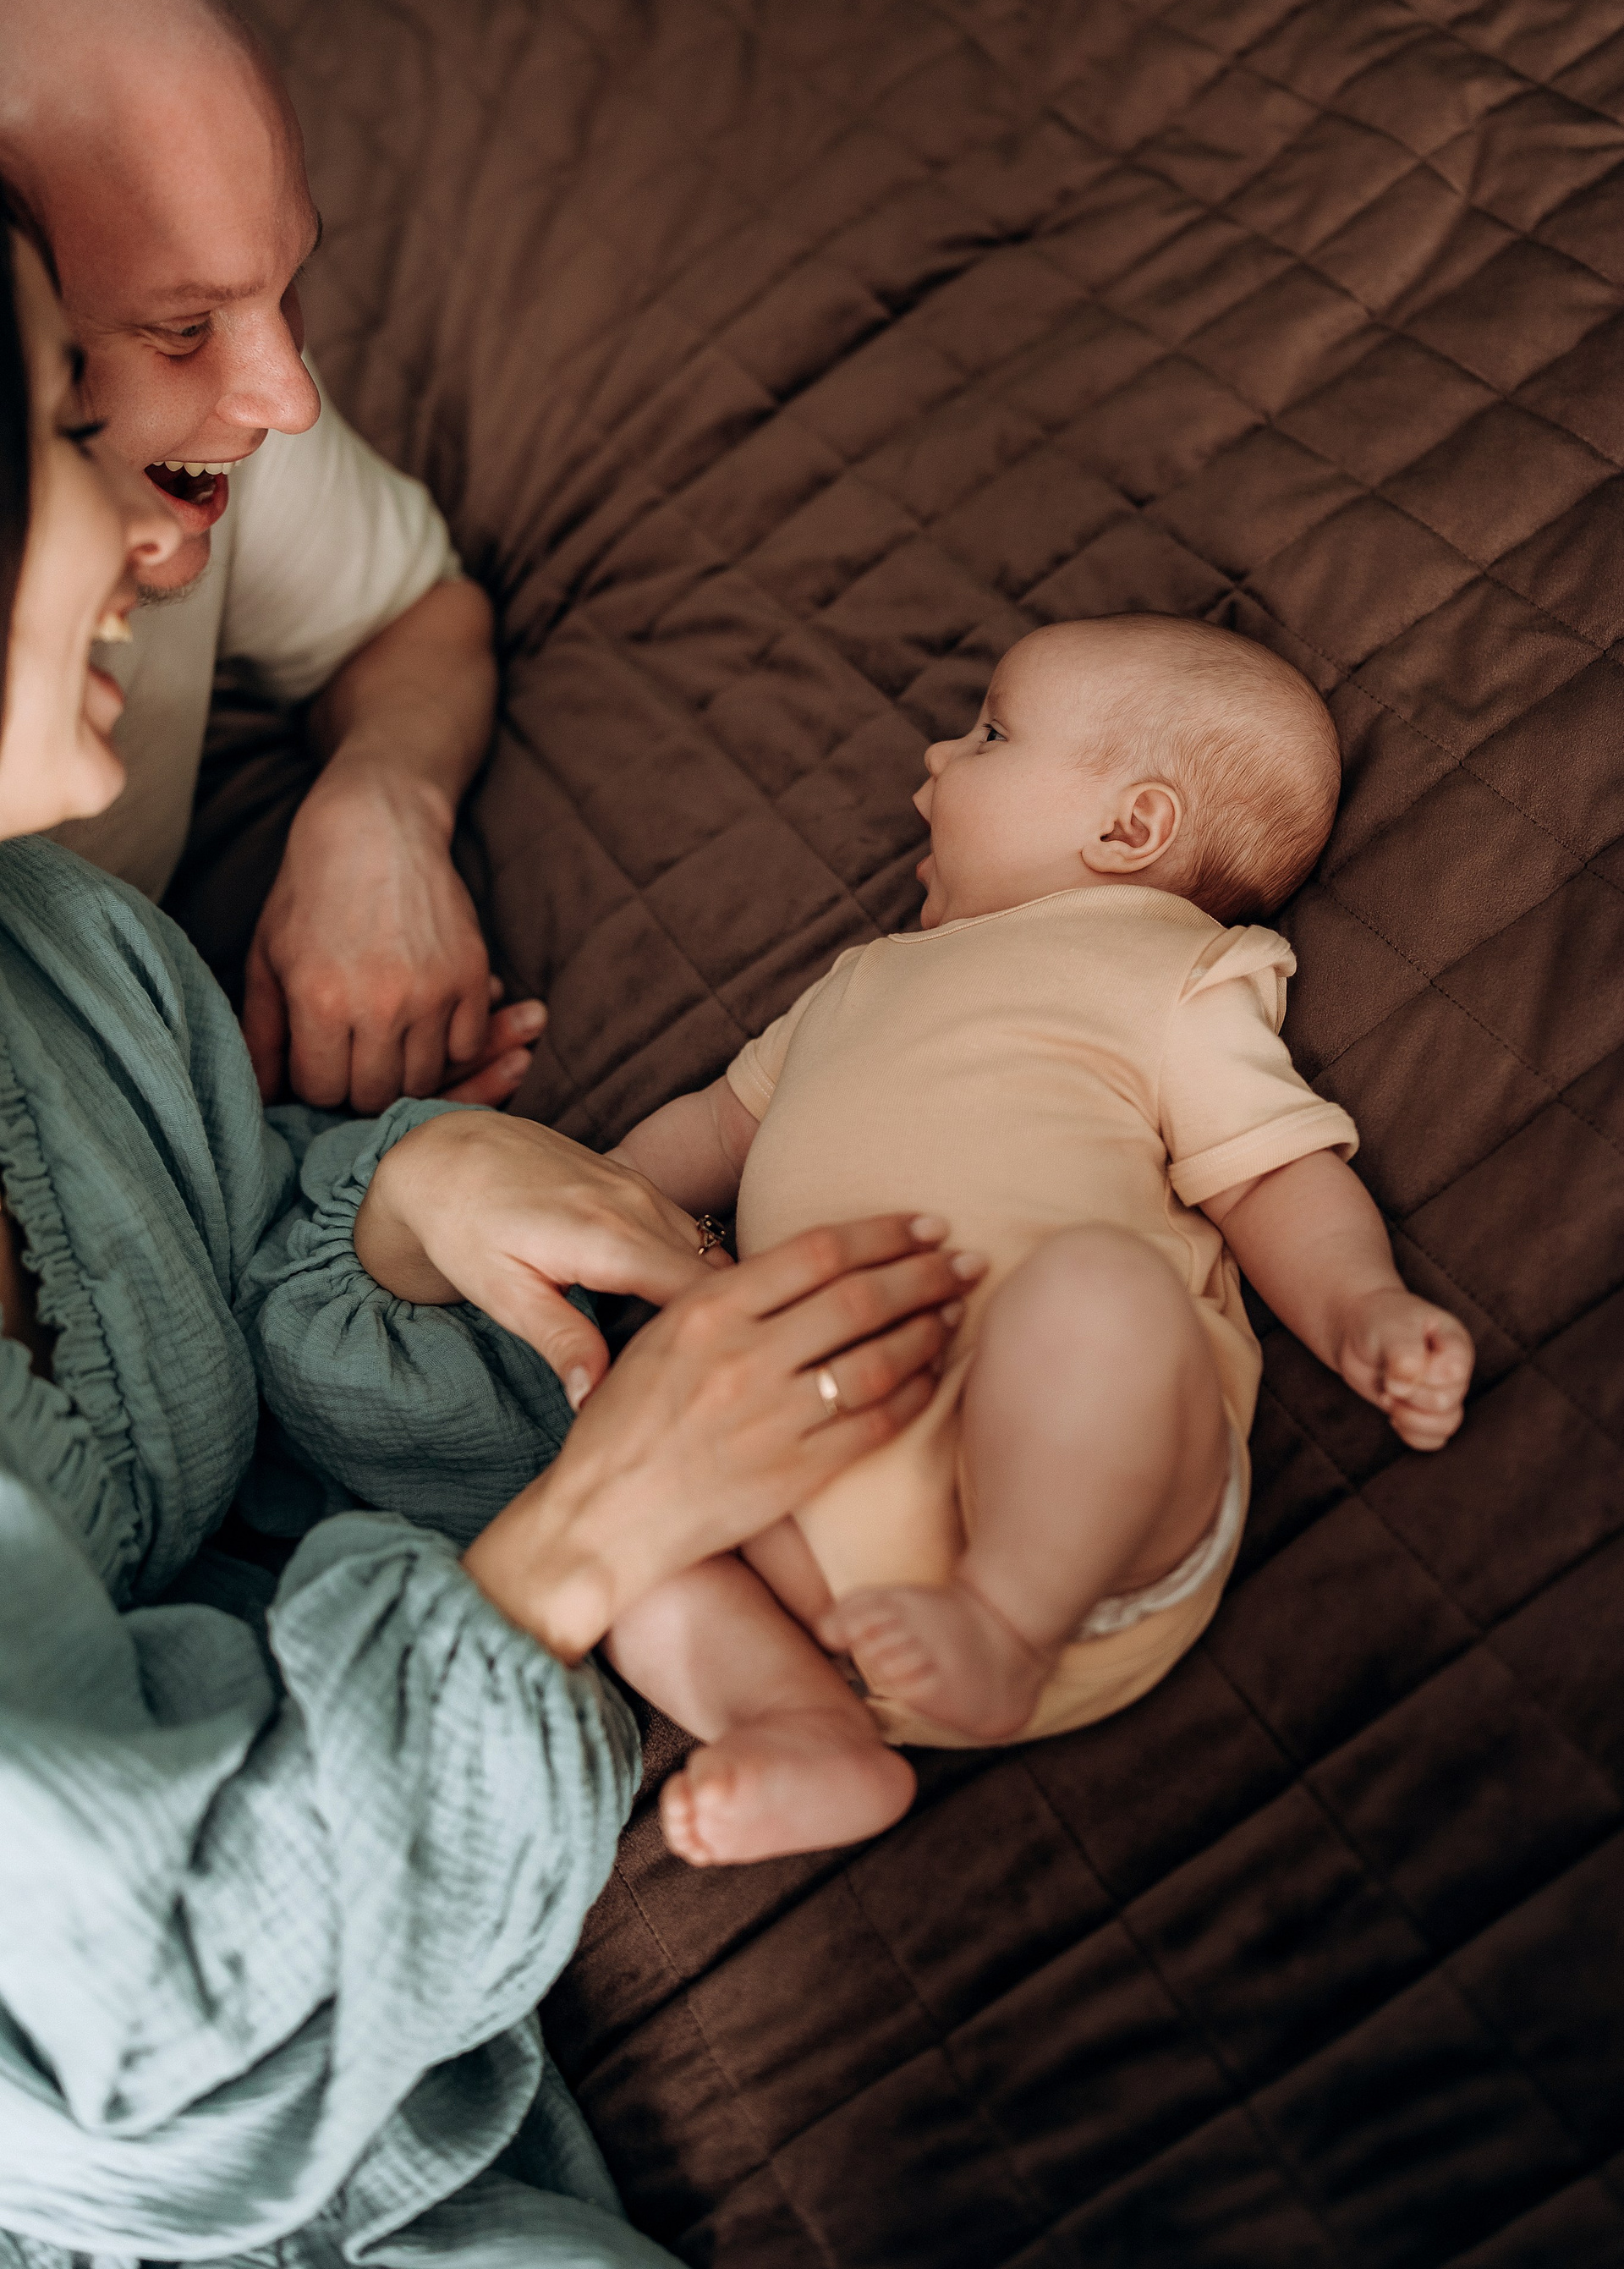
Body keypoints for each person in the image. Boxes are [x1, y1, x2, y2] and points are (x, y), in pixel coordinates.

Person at [0, 210, 968, 2267]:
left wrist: (401, 1211)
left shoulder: (60, 955)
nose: (161, 537)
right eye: (68, 440)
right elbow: (130, 2049)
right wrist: (581, 1551)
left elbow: (206, 1287)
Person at [602, 618, 1477, 1866]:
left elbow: (1277, 1174)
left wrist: (1362, 1308)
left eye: (991, 732)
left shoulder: (1167, 972)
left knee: (1098, 1291)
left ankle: (1005, 1625)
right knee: (621, 1489)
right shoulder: (859, 982)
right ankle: (801, 1724)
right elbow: (712, 1128)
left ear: (1131, 829)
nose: (937, 755)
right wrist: (588, 1194)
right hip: (821, 1527)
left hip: (1077, 1515)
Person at [0, 0, 540, 1114]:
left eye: (287, 284)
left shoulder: (217, 420)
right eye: (180, 328)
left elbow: (412, 614)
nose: (287, 400)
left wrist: (382, 802)